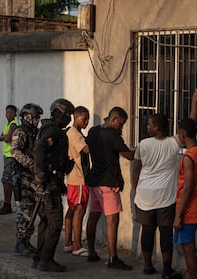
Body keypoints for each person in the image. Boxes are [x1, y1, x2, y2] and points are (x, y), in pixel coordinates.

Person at [131, 89, 197, 278]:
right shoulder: (173, 143)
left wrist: (135, 187)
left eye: (149, 125)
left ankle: (147, 265)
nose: (147, 127)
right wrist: (194, 101)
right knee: (165, 233)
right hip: (165, 197)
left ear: (157, 128)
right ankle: (167, 269)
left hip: (145, 196)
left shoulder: (143, 145)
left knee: (147, 231)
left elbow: (136, 168)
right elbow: (191, 125)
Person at [85, 106, 134, 270]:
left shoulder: (93, 131)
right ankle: (113, 258)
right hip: (108, 182)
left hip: (94, 181)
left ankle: (91, 252)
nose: (121, 128)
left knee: (93, 216)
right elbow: (129, 155)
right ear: (113, 119)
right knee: (112, 220)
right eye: (121, 124)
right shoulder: (112, 135)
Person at [32, 98, 74, 272]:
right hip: (49, 185)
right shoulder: (53, 131)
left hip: (51, 182)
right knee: (55, 224)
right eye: (67, 115)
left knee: (45, 221)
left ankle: (39, 258)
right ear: (59, 113)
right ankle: (46, 260)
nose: (69, 119)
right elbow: (39, 151)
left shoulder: (50, 129)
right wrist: (42, 176)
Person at [173, 118, 197, 279]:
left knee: (188, 250)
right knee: (189, 246)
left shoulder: (189, 157)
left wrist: (178, 215)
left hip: (189, 210)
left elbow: (187, 188)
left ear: (182, 135)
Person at [11, 103, 43, 254]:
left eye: (38, 117)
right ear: (26, 117)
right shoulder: (21, 131)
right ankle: (20, 242)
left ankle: (26, 240)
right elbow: (15, 151)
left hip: (32, 177)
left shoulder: (35, 132)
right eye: (35, 117)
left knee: (32, 209)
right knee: (25, 210)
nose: (37, 120)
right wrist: (31, 164)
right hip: (23, 176)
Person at [64, 106, 90, 257]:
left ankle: (68, 243)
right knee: (79, 211)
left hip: (73, 177)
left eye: (87, 119)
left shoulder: (72, 132)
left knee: (72, 209)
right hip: (79, 178)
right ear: (76, 117)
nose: (86, 121)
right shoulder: (74, 134)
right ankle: (77, 245)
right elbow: (86, 150)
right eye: (84, 118)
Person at [0, 105, 19, 215]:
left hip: (12, 156)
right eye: (7, 112)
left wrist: (5, 137)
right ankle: (7, 204)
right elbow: (1, 137)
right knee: (7, 180)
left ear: (15, 113)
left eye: (10, 112)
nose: (8, 114)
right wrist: (5, 136)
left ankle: (7, 204)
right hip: (7, 155)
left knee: (7, 180)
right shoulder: (7, 124)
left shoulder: (14, 124)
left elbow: (7, 138)